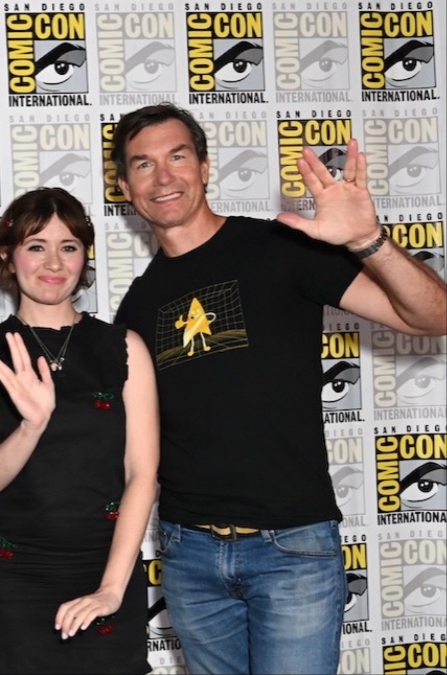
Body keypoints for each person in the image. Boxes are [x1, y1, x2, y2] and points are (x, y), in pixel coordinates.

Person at [111, 103, 447, 674]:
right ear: (125, 187)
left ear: (205, 166)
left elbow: (431, 318)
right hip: (188, 554)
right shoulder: (137, 306)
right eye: (143, 165)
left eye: (177, 157)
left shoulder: (278, 247)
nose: (163, 177)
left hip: (292, 549)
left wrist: (368, 241)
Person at [0, 188, 157, 674]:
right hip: (11, 583)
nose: (54, 262)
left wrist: (111, 588)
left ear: (84, 255)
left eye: (69, 246)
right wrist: (32, 425)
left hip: (106, 573)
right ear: (8, 254)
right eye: (36, 245)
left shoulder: (123, 347)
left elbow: (142, 475)